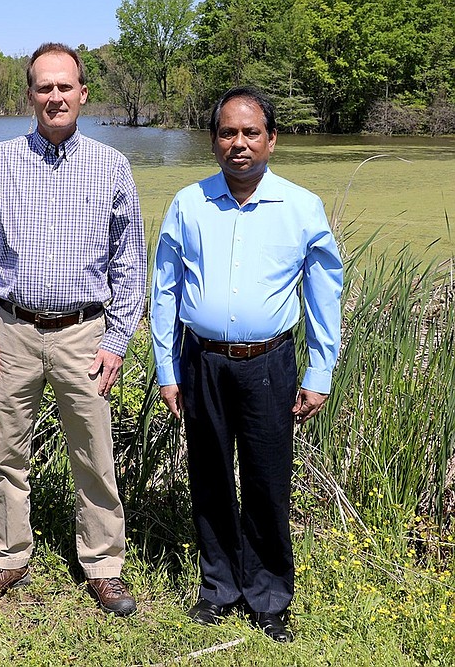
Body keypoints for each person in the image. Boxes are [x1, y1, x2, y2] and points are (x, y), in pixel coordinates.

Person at [0, 42, 146, 616]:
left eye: (66, 86)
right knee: (6, 449)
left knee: (93, 451)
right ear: (30, 95)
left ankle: (102, 564)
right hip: (12, 329)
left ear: (83, 93)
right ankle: (8, 556)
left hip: (84, 333)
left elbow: (129, 262)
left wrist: (116, 342)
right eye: (44, 87)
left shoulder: (112, 165)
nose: (55, 96)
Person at [150, 86, 343, 641]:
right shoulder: (189, 203)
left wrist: (319, 371)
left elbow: (324, 293)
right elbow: (164, 291)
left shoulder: (301, 206)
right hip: (202, 361)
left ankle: (269, 595)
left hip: (270, 363)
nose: (239, 143)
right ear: (213, 141)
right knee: (208, 476)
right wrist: (168, 368)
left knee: (266, 480)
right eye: (228, 133)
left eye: (250, 132)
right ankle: (219, 588)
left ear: (272, 139)